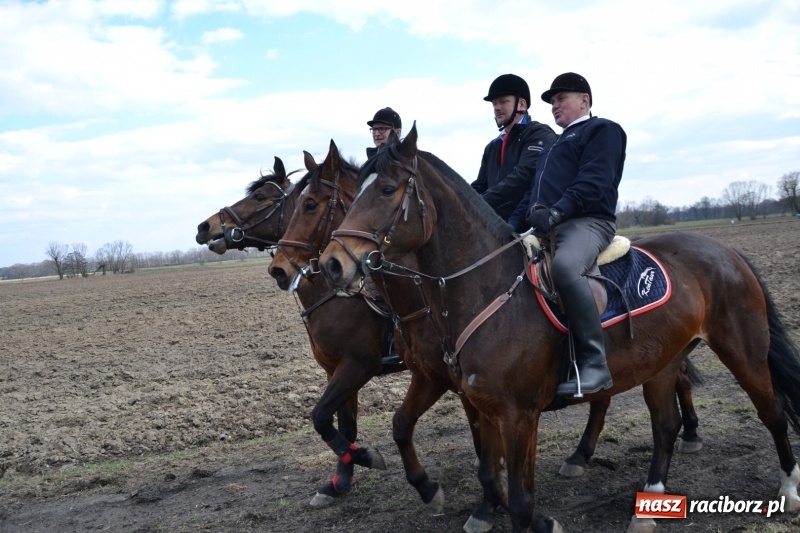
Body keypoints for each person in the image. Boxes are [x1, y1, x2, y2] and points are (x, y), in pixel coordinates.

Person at [509, 72, 627, 397]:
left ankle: (595, 364)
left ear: (584, 101)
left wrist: (559, 211)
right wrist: (508, 228)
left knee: (565, 268)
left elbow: (594, 181)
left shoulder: (603, 130)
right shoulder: (552, 147)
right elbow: (531, 199)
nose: (554, 106)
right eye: (551, 102)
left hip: (587, 222)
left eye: (561, 99)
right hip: (547, 228)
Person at [471, 74, 557, 221]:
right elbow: (480, 185)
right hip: (495, 223)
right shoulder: (491, 147)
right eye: (494, 104)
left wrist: (478, 203)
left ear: (521, 104)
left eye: (503, 102)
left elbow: (522, 177)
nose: (497, 108)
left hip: (527, 221)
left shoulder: (538, 134)